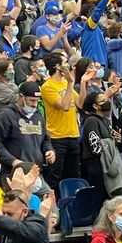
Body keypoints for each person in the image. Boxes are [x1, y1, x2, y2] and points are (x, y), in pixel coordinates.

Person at [0, 81, 54, 170]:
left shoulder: (38, 115)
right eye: (32, 100)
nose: (35, 105)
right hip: (11, 171)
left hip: (35, 170)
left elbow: (45, 139)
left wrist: (49, 150)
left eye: (37, 101)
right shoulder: (6, 115)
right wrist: (13, 161)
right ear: (21, 97)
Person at [40, 52, 80, 187]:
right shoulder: (47, 86)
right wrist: (70, 83)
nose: (67, 66)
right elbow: (64, 106)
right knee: (55, 177)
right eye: (64, 63)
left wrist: (84, 82)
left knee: (74, 176)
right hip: (57, 138)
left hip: (73, 135)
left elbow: (80, 103)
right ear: (58, 66)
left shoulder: (66, 83)